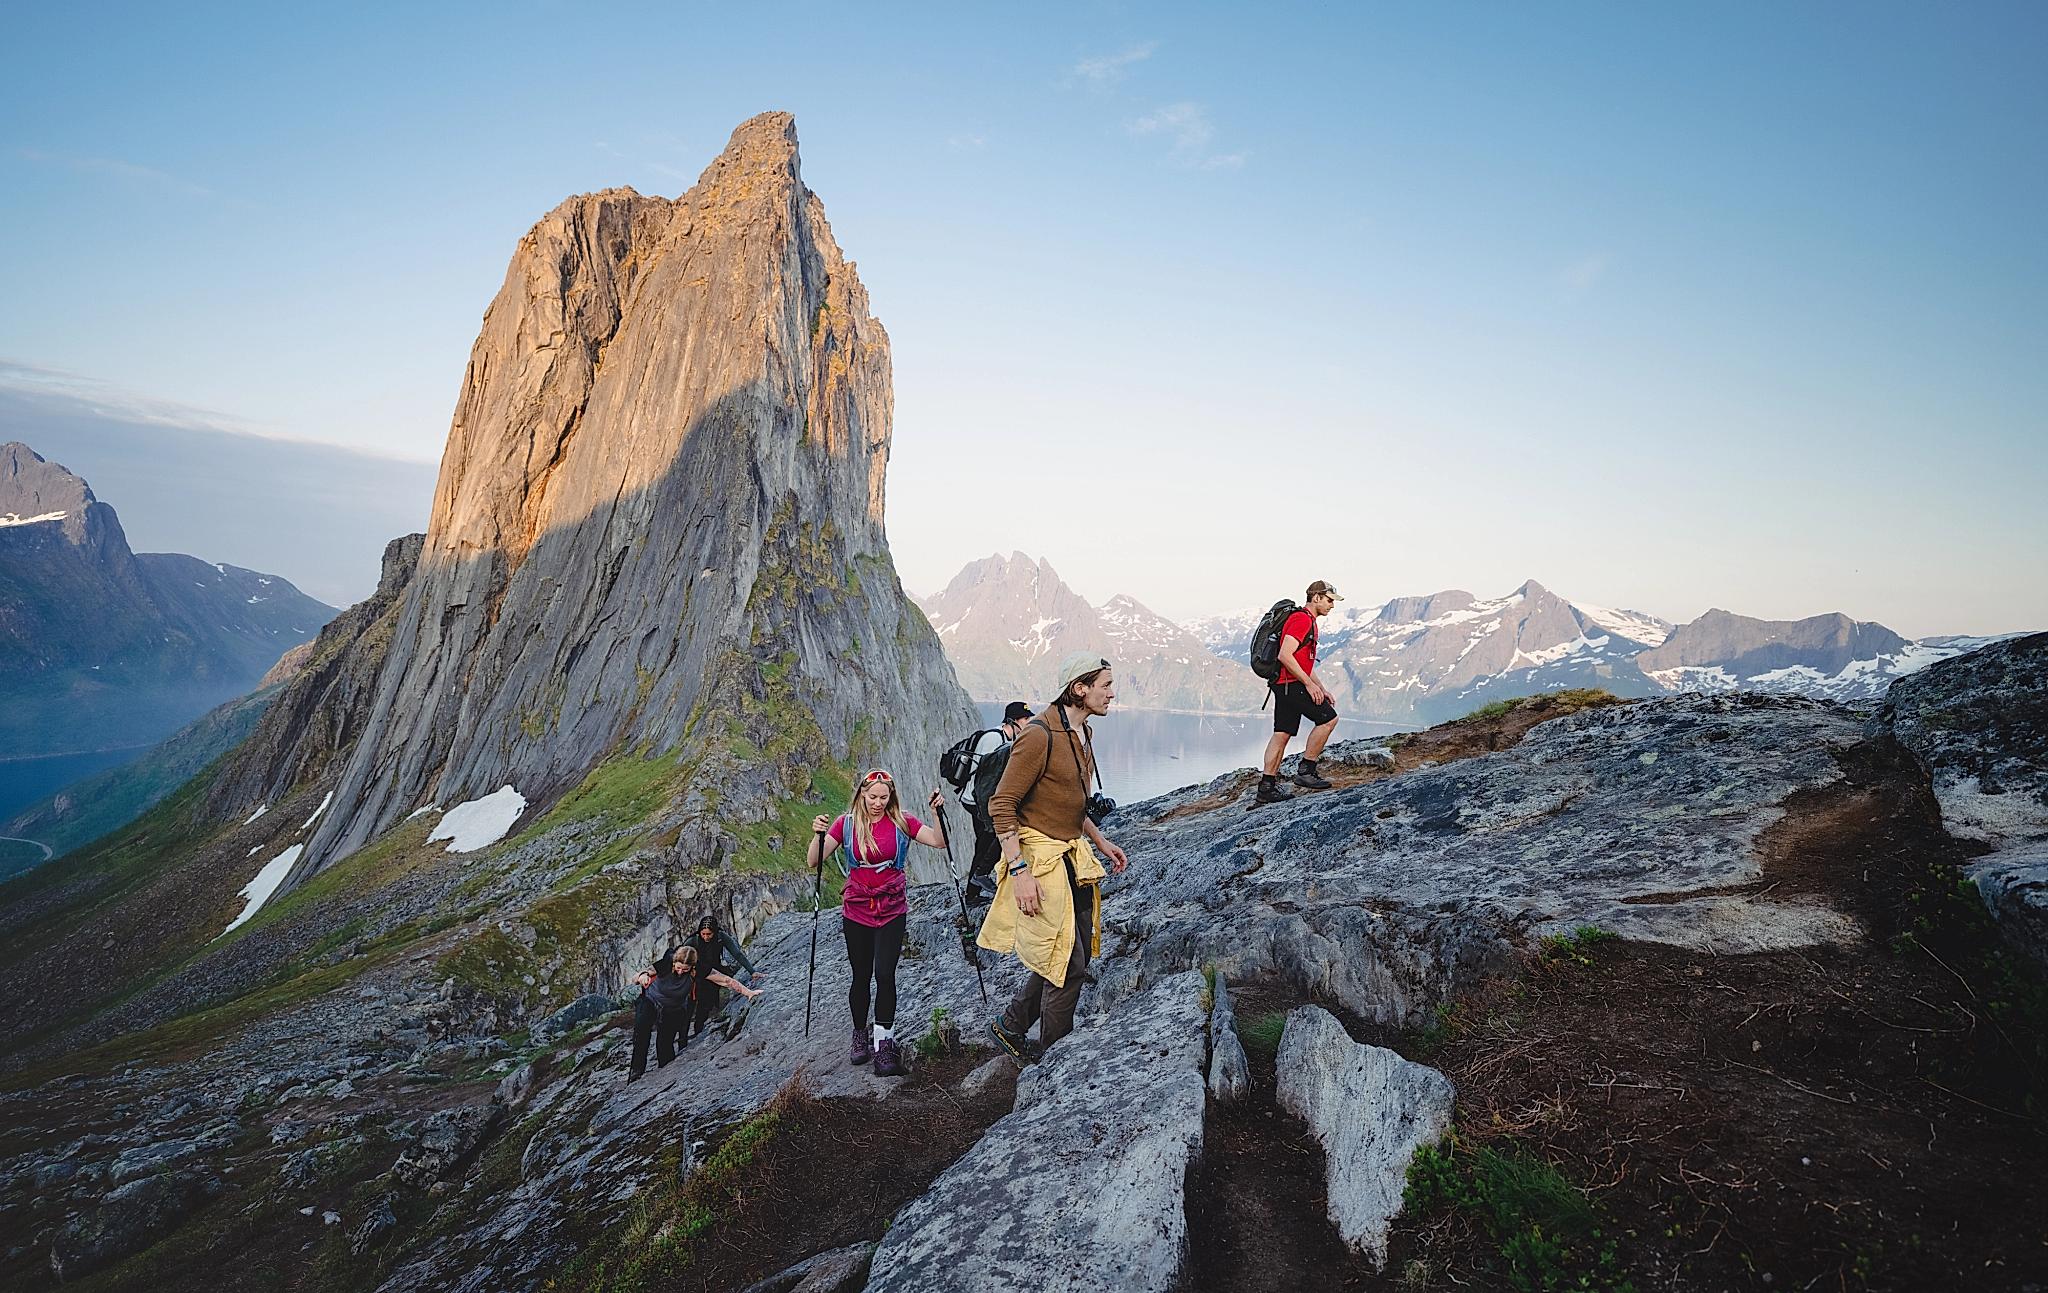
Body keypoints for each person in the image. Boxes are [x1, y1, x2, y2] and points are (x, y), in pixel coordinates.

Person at [979, 652, 1130, 1060]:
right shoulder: (1039, 735)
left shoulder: (1082, 734)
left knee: (1070, 946)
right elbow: (1002, 804)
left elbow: (1069, 801)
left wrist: (1099, 840)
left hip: (1070, 853)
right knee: (1069, 965)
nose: (1112, 694)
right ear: (1080, 689)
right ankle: (1054, 1060)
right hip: (1038, 859)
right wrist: (1020, 872)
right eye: (1106, 686)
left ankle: (1011, 1025)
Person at [806, 770, 948, 1077]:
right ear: (861, 794)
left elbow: (938, 842)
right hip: (857, 909)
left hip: (891, 909)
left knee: (885, 974)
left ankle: (884, 1041)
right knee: (861, 975)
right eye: (872, 797)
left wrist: (937, 812)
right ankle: (860, 1033)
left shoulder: (902, 821)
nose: (878, 803)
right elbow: (813, 861)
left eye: (884, 798)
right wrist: (817, 833)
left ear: (891, 796)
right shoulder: (845, 824)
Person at [1257, 580, 1343, 805]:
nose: (1332, 605)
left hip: (1285, 683)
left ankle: (1266, 787)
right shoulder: (1302, 619)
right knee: (1328, 719)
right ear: (1316, 597)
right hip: (1292, 683)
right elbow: (1285, 655)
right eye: (1329, 600)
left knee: (1282, 733)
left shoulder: (1307, 621)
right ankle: (1306, 771)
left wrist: (1320, 687)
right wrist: (1308, 684)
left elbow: (1303, 662)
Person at [628, 943, 761, 1081]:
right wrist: (642, 976)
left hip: (673, 1008)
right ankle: (635, 1074)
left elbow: (726, 981)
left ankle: (664, 1074)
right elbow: (637, 977)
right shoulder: (667, 962)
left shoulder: (700, 968)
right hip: (650, 1000)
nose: (680, 972)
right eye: (678, 968)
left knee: (665, 1043)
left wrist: (748, 992)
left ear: (692, 967)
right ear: (674, 962)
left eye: (685, 970)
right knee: (641, 1033)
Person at [958, 701, 1034, 908]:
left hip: (980, 800)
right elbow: (986, 780)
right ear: (1014, 721)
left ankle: (973, 891)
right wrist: (994, 809)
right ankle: (977, 882)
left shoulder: (1002, 738)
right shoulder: (994, 739)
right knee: (994, 837)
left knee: (984, 845)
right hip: (978, 802)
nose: (1028, 723)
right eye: (1026, 719)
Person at [685, 912, 759, 1041]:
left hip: (714, 972)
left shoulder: (721, 937)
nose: (706, 937)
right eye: (703, 934)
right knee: (692, 1004)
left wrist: (752, 971)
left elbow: (737, 953)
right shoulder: (693, 941)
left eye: (709, 934)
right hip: (696, 974)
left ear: (714, 932)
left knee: (707, 1003)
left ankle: (699, 1030)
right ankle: (686, 1036)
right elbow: (681, 956)